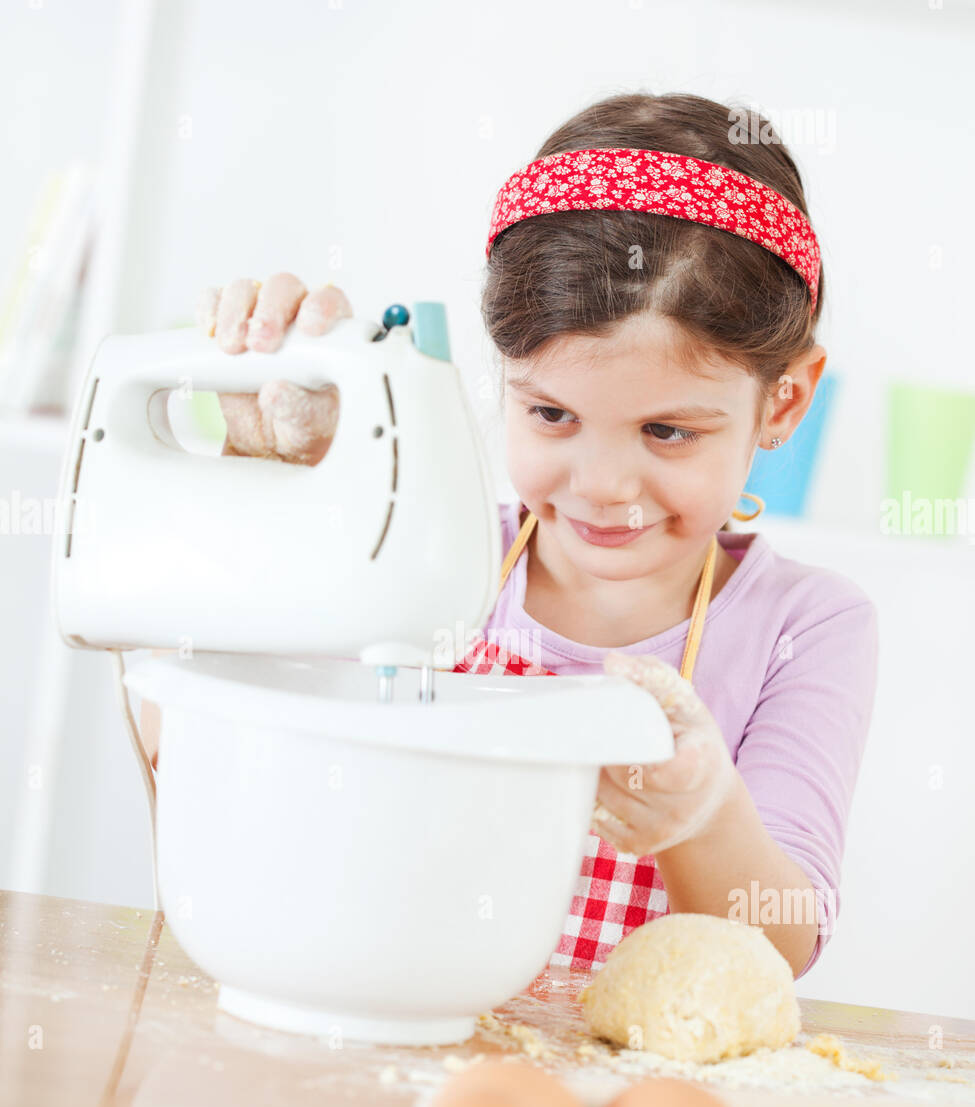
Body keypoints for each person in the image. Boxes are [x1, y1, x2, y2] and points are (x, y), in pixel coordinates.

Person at [141, 92, 878, 981]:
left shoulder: (807, 625)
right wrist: (277, 483)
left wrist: (702, 812)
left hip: (628, 1090)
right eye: (551, 413)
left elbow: (784, 938)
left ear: (784, 402)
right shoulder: (415, 554)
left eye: (667, 431)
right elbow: (185, 751)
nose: (602, 486)